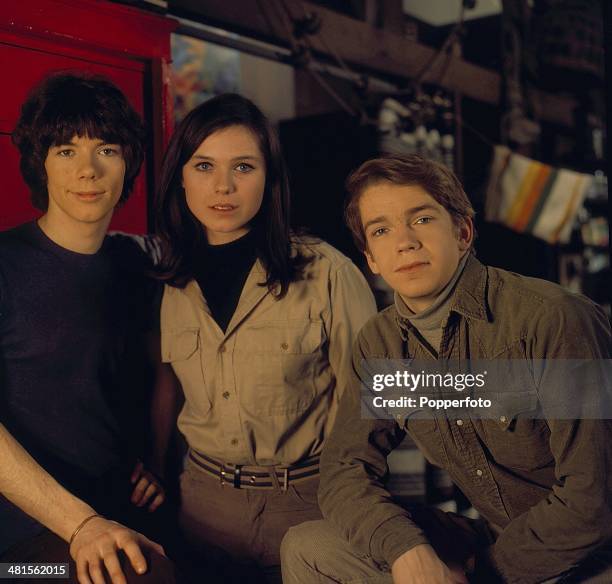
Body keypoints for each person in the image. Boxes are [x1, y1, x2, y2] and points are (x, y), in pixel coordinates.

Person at [281, 154, 612, 584]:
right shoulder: (381, 345)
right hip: (496, 535)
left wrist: (479, 573)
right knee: (309, 547)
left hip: (593, 553)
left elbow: (594, 500)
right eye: (381, 230)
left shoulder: (554, 319)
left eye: (420, 219)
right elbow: (345, 472)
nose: (404, 242)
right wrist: (406, 550)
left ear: (462, 231)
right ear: (372, 259)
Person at [152, 93, 377, 582]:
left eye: (244, 167)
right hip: (200, 510)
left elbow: (373, 399)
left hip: (306, 506)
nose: (223, 186)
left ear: (269, 178)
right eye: (205, 165)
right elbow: (165, 387)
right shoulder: (170, 281)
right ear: (181, 176)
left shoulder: (328, 273)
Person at [0, 72, 177, 584]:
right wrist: (82, 526)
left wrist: (154, 459)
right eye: (65, 151)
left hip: (111, 512)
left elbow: (162, 367)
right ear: (42, 165)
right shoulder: (5, 266)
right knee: (142, 576)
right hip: (17, 545)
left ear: (128, 164)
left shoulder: (134, 264)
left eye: (107, 150)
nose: (88, 170)